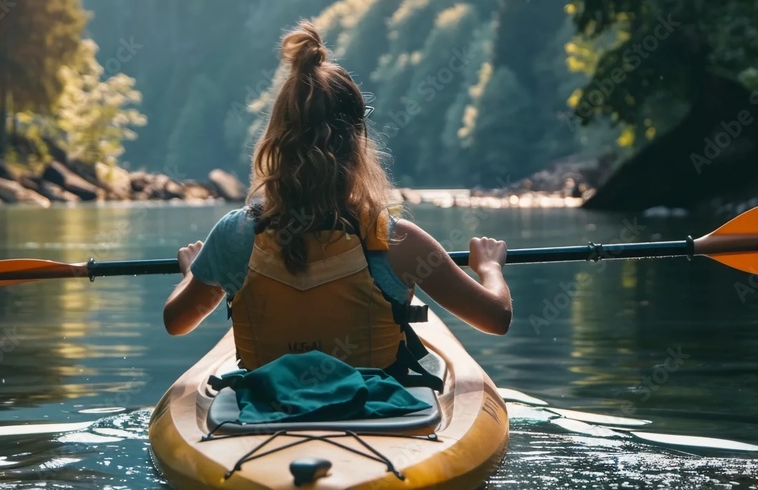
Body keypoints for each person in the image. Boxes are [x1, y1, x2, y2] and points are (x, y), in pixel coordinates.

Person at [163, 20, 511, 385]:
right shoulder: (399, 242)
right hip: (377, 413)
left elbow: (177, 322)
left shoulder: (234, 235)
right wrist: (489, 267)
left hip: (261, 409)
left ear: (277, 137)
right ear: (358, 139)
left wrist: (192, 275)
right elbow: (497, 318)